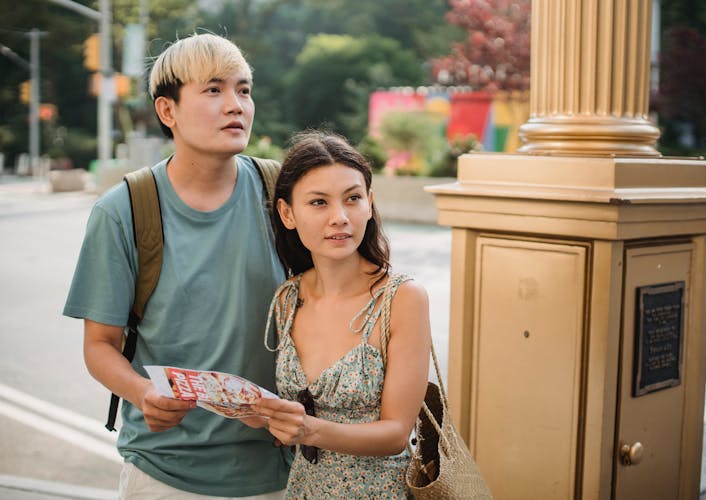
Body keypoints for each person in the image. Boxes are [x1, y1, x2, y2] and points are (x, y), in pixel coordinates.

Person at [63, 33, 289, 499]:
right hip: (164, 474)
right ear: (168, 111)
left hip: (280, 468)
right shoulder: (124, 209)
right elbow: (100, 345)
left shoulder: (281, 192)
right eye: (213, 90)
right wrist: (142, 392)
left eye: (243, 90)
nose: (236, 105)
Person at [241, 131, 431, 498]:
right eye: (318, 203)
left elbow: (395, 434)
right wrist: (269, 417)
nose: (340, 217)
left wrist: (307, 430)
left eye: (353, 199)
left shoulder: (402, 299)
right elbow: (300, 415)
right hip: (303, 490)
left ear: (370, 203)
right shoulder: (287, 299)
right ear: (287, 213)